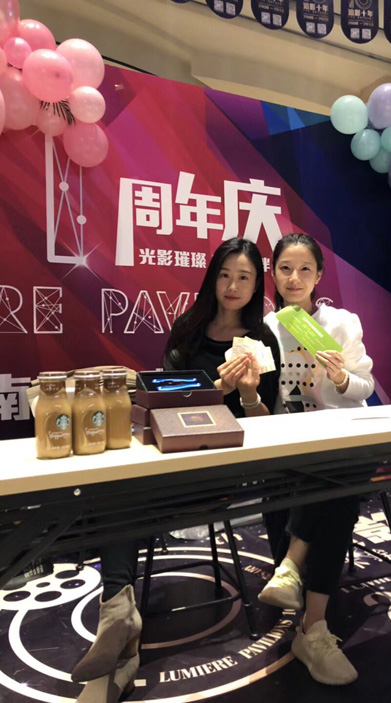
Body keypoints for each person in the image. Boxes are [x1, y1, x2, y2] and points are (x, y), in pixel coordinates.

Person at [71, 238, 280, 702]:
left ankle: (120, 632)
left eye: (244, 277)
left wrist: (246, 395)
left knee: (124, 495)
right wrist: (213, 390)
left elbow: (268, 428)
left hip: (224, 465)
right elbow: (160, 404)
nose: (232, 285)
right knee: (115, 486)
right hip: (171, 454)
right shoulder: (188, 329)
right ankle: (117, 616)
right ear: (212, 277)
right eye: (224, 274)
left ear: (256, 286)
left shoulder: (262, 342)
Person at [258, 233, 374, 686]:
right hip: (288, 444)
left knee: (335, 475)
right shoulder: (265, 329)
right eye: (285, 268)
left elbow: (365, 388)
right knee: (335, 495)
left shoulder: (341, 323)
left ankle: (293, 569)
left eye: (305, 269)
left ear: (319, 275)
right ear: (273, 274)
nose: (295, 278)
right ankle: (313, 627)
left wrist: (342, 377)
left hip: (340, 437)